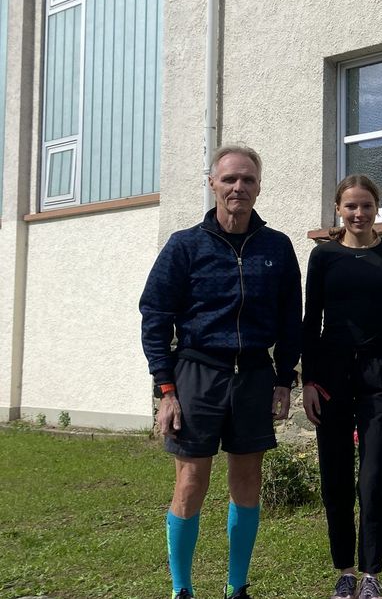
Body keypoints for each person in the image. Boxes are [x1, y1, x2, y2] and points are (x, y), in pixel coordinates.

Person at [139, 143, 302, 599]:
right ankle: (182, 590)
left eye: (248, 179)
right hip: (197, 373)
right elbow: (154, 315)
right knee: (191, 481)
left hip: (254, 374)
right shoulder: (185, 245)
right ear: (212, 184)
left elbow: (291, 320)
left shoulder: (277, 247)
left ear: (259, 187)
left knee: (247, 481)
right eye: (229, 178)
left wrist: (283, 379)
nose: (238, 187)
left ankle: (236, 586)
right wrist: (166, 388)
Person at [302, 175, 382, 599]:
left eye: (366, 206)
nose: (359, 213)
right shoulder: (323, 256)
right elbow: (311, 320)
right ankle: (345, 570)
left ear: (377, 208)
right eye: (351, 206)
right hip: (330, 374)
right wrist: (308, 379)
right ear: (338, 209)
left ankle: (371, 574)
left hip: (378, 371)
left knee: (375, 473)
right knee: (335, 473)